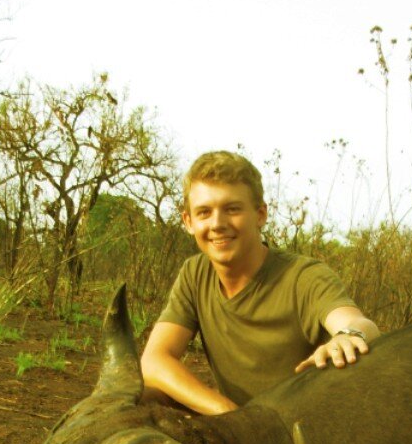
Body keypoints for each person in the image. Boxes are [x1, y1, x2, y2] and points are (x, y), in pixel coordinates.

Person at [141, 151, 380, 414]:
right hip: (240, 424)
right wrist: (229, 415)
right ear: (189, 222)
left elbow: (360, 325)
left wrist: (348, 336)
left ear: (260, 214)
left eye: (232, 209)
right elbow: (153, 361)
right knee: (141, 400)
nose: (217, 224)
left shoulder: (304, 276)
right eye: (204, 212)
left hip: (308, 427)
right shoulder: (195, 273)